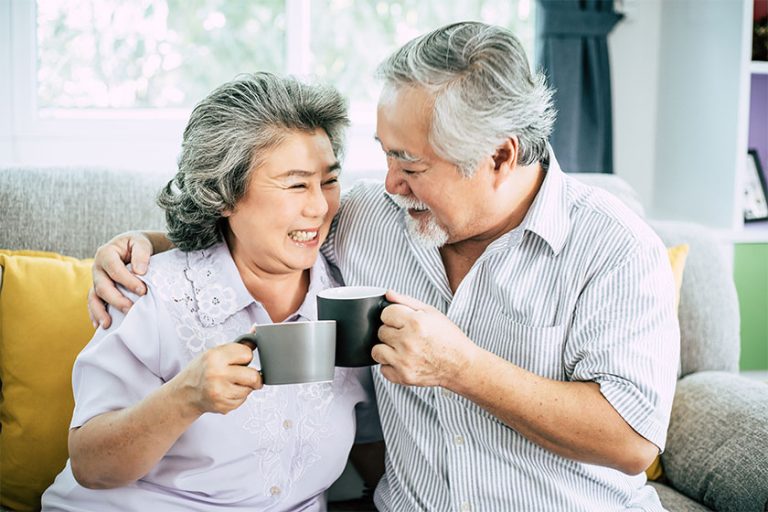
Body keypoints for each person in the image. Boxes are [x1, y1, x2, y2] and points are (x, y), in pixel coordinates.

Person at [87, 22, 680, 511]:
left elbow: (632, 441)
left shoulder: (615, 249)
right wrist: (144, 245)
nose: (390, 183)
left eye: (411, 164)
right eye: (384, 155)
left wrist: (461, 368)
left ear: (500, 156)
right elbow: (263, 229)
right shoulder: (375, 217)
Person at [42, 72, 383, 512]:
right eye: (296, 184)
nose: (320, 206)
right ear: (223, 194)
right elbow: (91, 465)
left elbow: (372, 437)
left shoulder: (349, 294)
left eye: (329, 181)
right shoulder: (149, 291)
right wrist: (187, 396)